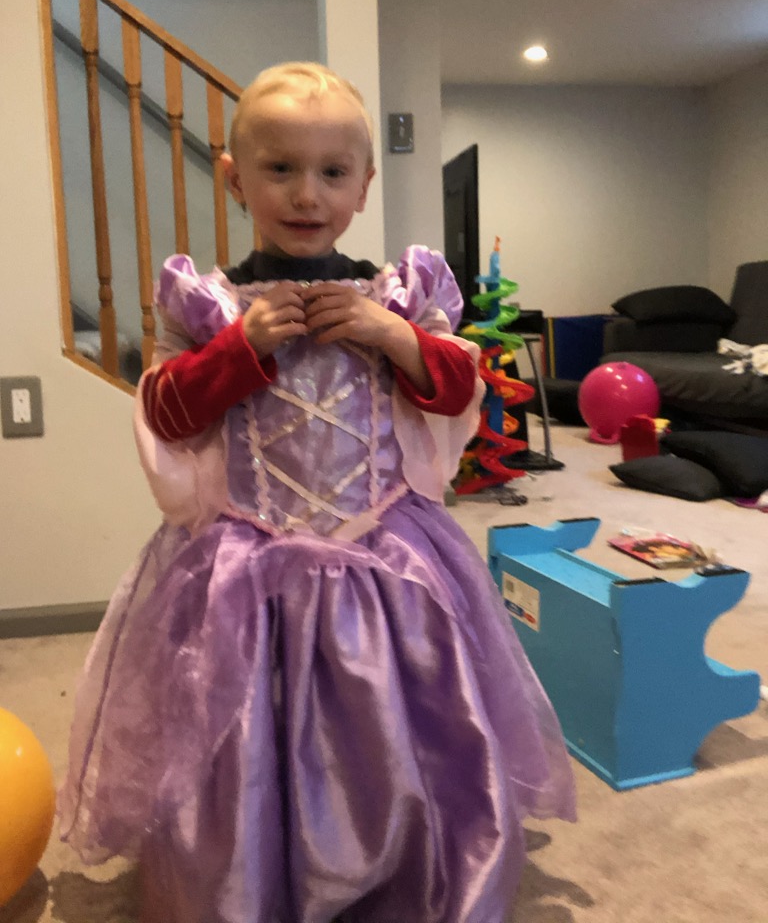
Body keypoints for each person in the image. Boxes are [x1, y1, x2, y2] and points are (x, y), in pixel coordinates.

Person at [59, 62, 575, 923]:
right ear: (234, 178)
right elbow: (163, 408)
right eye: (280, 169)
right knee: (238, 739)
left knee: (398, 730)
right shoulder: (205, 300)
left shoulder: (398, 292)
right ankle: (247, 878)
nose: (307, 194)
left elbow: (461, 393)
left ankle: (408, 868)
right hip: (243, 570)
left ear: (365, 185)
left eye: (334, 173)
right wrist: (238, 350)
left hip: (384, 557)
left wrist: (393, 336)